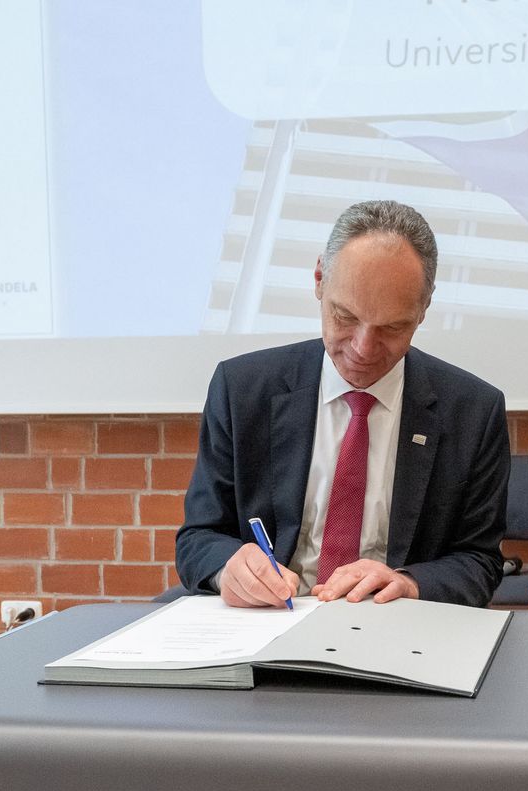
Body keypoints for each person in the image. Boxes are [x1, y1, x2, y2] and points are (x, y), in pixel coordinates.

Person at [176, 200, 509, 609]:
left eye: (392, 327)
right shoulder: (243, 390)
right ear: (319, 280)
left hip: (396, 623)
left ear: (424, 308)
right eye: (345, 317)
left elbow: (480, 561)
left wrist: (408, 583)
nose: (363, 349)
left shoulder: (473, 411)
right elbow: (199, 537)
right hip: (271, 618)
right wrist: (230, 568)